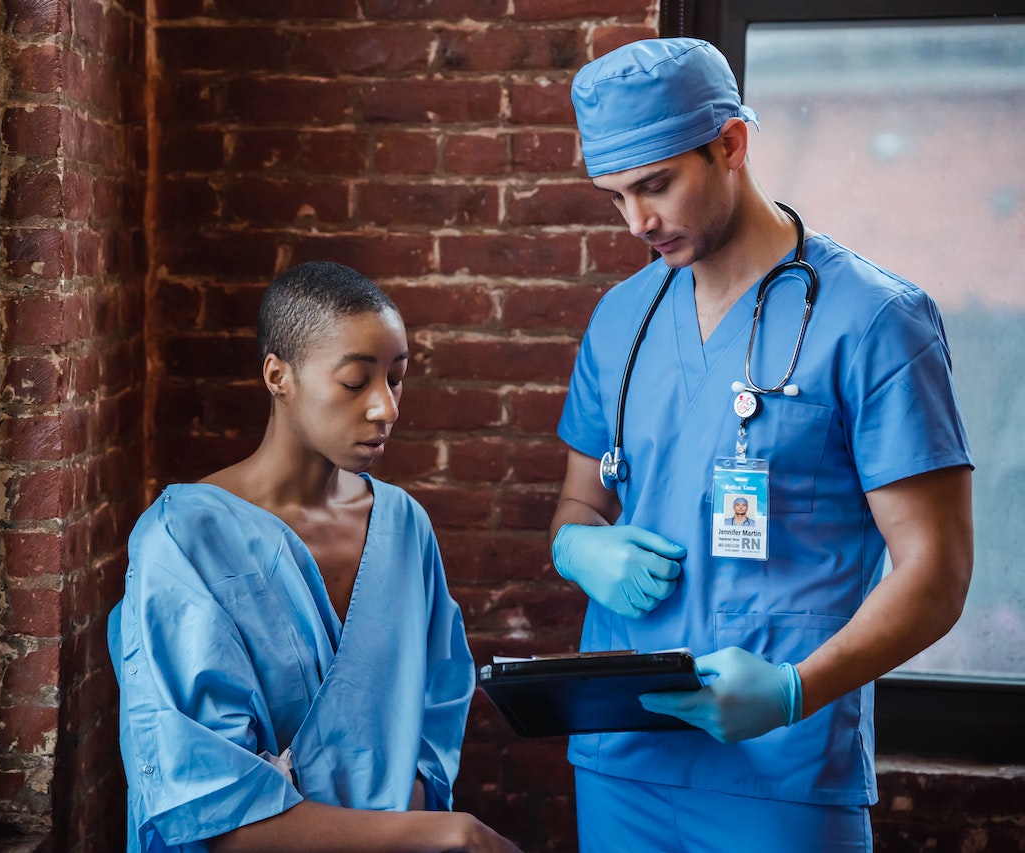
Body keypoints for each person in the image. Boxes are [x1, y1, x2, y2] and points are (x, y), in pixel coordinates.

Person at [549, 37, 973, 852]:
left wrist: (790, 690)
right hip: (621, 759)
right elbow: (580, 501)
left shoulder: (876, 322)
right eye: (615, 198)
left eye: (656, 185)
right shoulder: (621, 322)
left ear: (731, 144)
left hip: (781, 766)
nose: (638, 222)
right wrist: (576, 546)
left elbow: (938, 572)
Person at [109, 261, 522, 853]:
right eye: (356, 382)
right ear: (279, 376)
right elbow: (212, 811)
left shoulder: (403, 525)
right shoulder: (183, 540)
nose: (387, 408)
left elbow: (435, 712)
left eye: (397, 378)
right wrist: (440, 833)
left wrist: (405, 826)